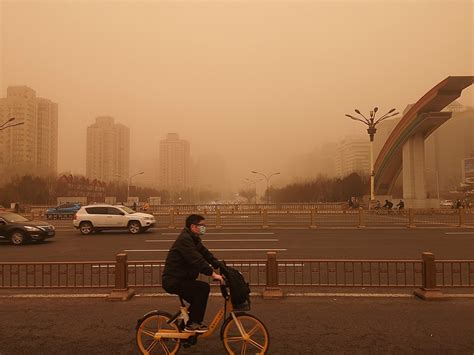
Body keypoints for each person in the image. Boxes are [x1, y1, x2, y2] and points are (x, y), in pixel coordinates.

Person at [162, 214, 224, 333]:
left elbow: (205, 253)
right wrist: (213, 274)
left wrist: (219, 265)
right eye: (202, 226)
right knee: (202, 289)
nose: (204, 228)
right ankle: (192, 324)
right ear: (193, 226)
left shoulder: (193, 238)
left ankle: (185, 328)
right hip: (174, 281)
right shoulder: (185, 240)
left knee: (199, 297)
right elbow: (196, 260)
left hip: (182, 278)